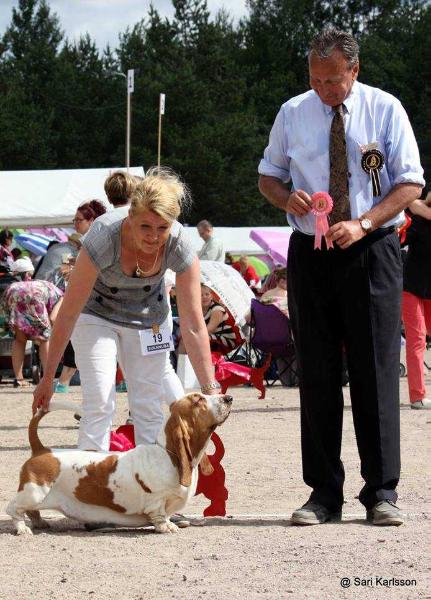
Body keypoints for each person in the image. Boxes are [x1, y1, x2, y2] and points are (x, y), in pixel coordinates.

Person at [258, 27, 424, 527]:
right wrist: (285, 197)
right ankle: (323, 493)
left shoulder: (386, 109)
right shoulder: (292, 112)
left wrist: (365, 222)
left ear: (355, 70)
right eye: (316, 79)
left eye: (333, 80)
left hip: (372, 250)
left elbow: (411, 181)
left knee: (375, 370)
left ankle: (381, 492)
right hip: (311, 251)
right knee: (317, 370)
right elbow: (268, 174)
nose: (324, 89)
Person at [32, 168, 219, 452]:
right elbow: (68, 313)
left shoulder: (181, 245)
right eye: (145, 226)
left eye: (162, 228)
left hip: (150, 319)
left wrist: (210, 389)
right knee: (100, 401)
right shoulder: (103, 236)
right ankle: (90, 487)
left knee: (149, 406)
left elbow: (193, 325)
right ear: (130, 216)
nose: (154, 237)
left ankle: (150, 489)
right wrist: (48, 378)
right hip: (96, 314)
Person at [54, 203, 107, 393]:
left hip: (94, 305)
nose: (75, 223)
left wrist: (74, 273)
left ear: (92, 220)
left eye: (79, 220)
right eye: (74, 220)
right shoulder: (91, 241)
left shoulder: (95, 241)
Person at [1, 257, 63, 387]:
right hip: (38, 311)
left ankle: (19, 379)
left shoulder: (11, 287)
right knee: (44, 341)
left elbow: (5, 308)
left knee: (19, 341)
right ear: (30, 273)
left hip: (17, 311)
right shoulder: (43, 284)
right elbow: (59, 298)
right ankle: (48, 378)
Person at [401, 193, 431, 409]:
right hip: (411, 288)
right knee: (417, 339)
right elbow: (408, 200)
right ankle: (417, 396)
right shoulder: (418, 222)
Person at [177, 285, 242, 355]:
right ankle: (179, 363)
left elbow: (209, 329)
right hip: (209, 336)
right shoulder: (198, 309)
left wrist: (191, 334)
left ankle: (182, 363)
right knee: (183, 338)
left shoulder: (217, 310)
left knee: (192, 339)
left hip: (224, 340)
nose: (204, 297)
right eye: (201, 295)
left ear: (211, 296)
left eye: (207, 294)